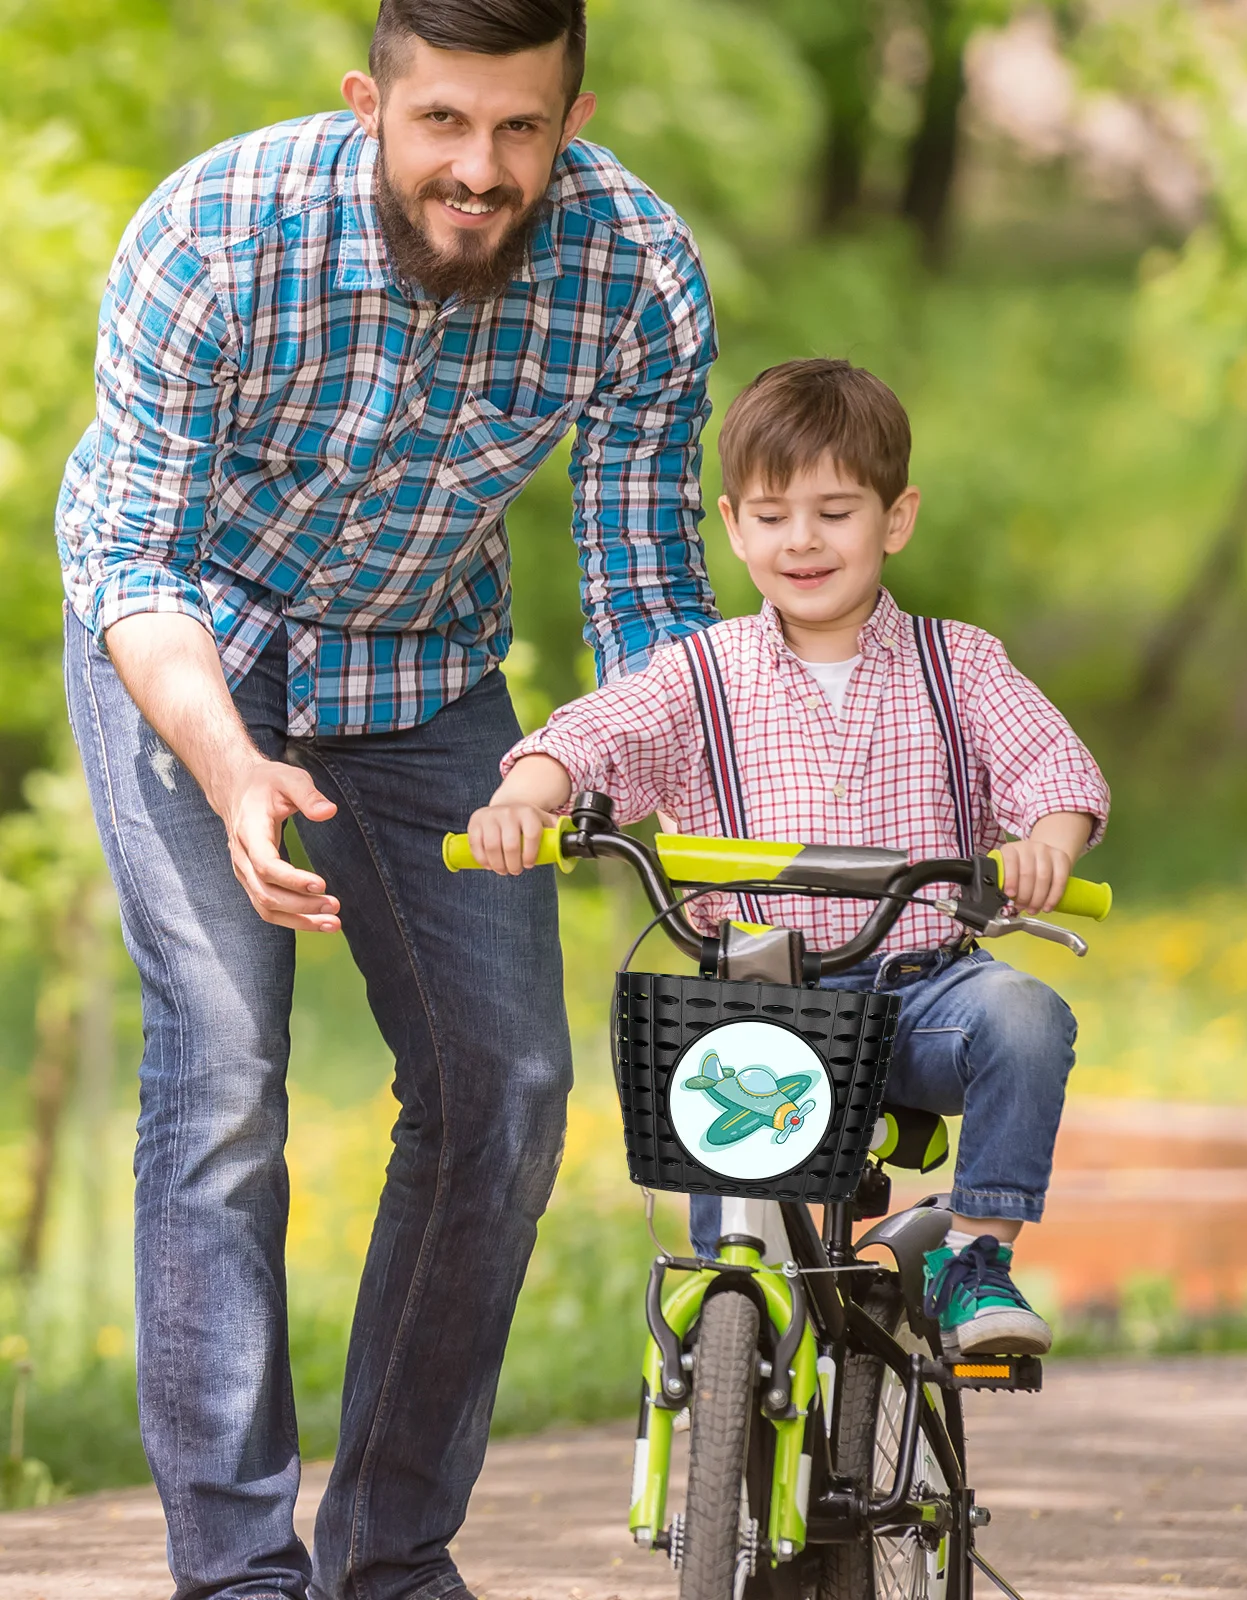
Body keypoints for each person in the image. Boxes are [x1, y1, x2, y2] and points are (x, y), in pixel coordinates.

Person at [55, 2, 720, 1596]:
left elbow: (645, 593)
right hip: (193, 644)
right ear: (371, 102)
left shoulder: (634, 275)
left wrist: (695, 805)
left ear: (571, 117)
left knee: (507, 1091)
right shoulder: (213, 240)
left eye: (519, 131)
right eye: (440, 125)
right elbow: (132, 559)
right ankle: (237, 1573)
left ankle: (391, 1558)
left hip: (426, 668)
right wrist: (229, 765)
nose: (478, 171)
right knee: (221, 1075)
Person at [469, 357, 1110, 1357]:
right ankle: (727, 1360)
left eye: (834, 511)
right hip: (758, 1003)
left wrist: (1044, 847)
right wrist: (526, 797)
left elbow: (1053, 772)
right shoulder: (702, 673)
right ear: (733, 526)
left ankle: (973, 1258)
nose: (801, 540)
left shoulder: (960, 664)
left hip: (919, 995)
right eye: (772, 516)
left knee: (1025, 1015)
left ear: (894, 520)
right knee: (732, 1240)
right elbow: (599, 732)